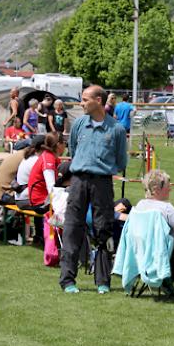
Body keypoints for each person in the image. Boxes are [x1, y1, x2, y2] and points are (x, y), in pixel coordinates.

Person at [60, 84, 128, 295]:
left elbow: (121, 160)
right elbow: (73, 149)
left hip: (103, 183)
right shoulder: (79, 124)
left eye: (86, 99)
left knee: (104, 229)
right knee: (72, 228)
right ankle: (68, 280)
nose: (82, 103)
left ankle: (103, 281)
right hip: (78, 181)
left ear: (98, 101)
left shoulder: (116, 129)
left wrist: (101, 169)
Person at [134, 170, 174, 284]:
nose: (170, 189)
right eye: (167, 186)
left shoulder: (140, 205)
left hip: (143, 254)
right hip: (164, 256)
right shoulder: (166, 208)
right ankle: (172, 279)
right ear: (157, 189)